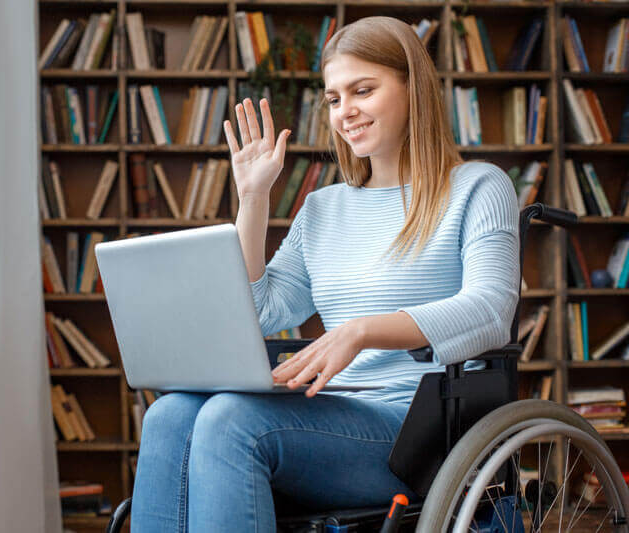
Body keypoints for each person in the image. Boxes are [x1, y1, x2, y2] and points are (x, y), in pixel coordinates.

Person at [129, 15, 520, 532]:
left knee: (230, 421)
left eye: (363, 90)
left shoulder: (477, 186)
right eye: (334, 99)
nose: (346, 112)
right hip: (334, 415)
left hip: (420, 429)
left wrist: (362, 331)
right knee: (170, 415)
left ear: (413, 89)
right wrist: (253, 198)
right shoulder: (322, 208)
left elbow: (491, 311)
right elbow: (261, 313)